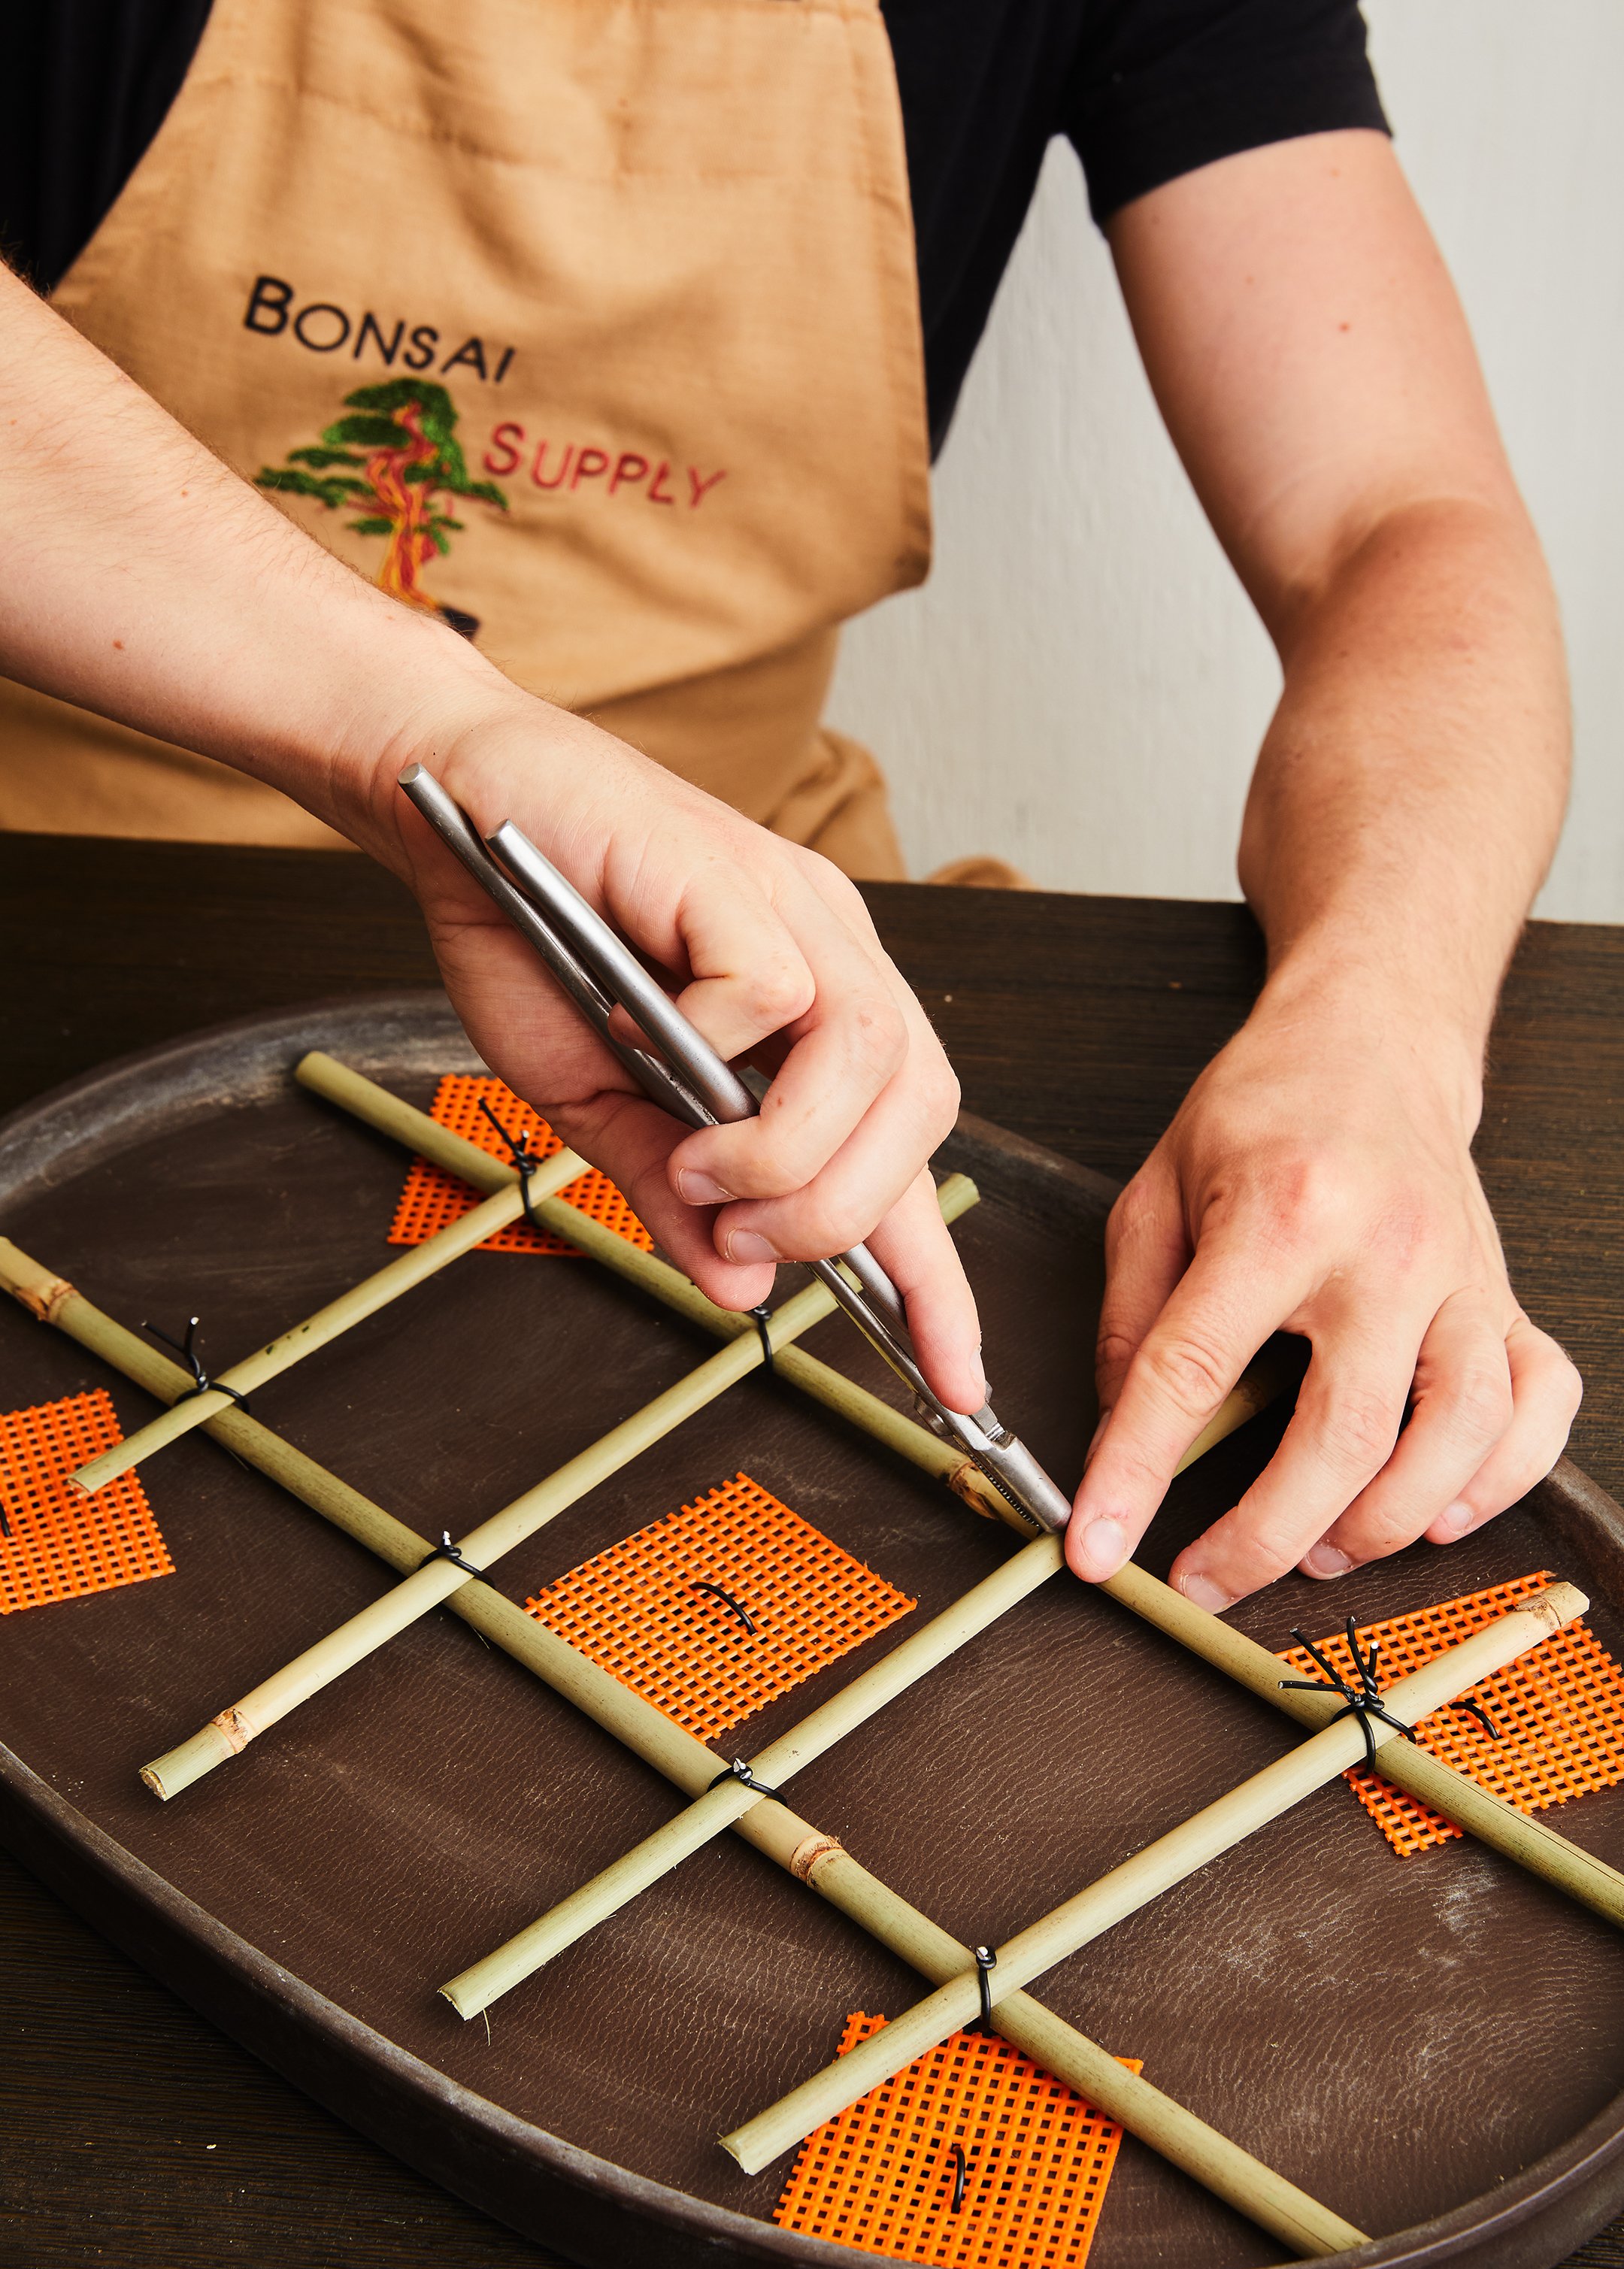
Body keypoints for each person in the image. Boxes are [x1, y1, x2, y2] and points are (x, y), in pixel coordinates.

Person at [0, 2, 1580, 1611]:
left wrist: (1381, 1027)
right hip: (59, 877)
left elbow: (1402, 525)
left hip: (728, 997)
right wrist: (423, 725)